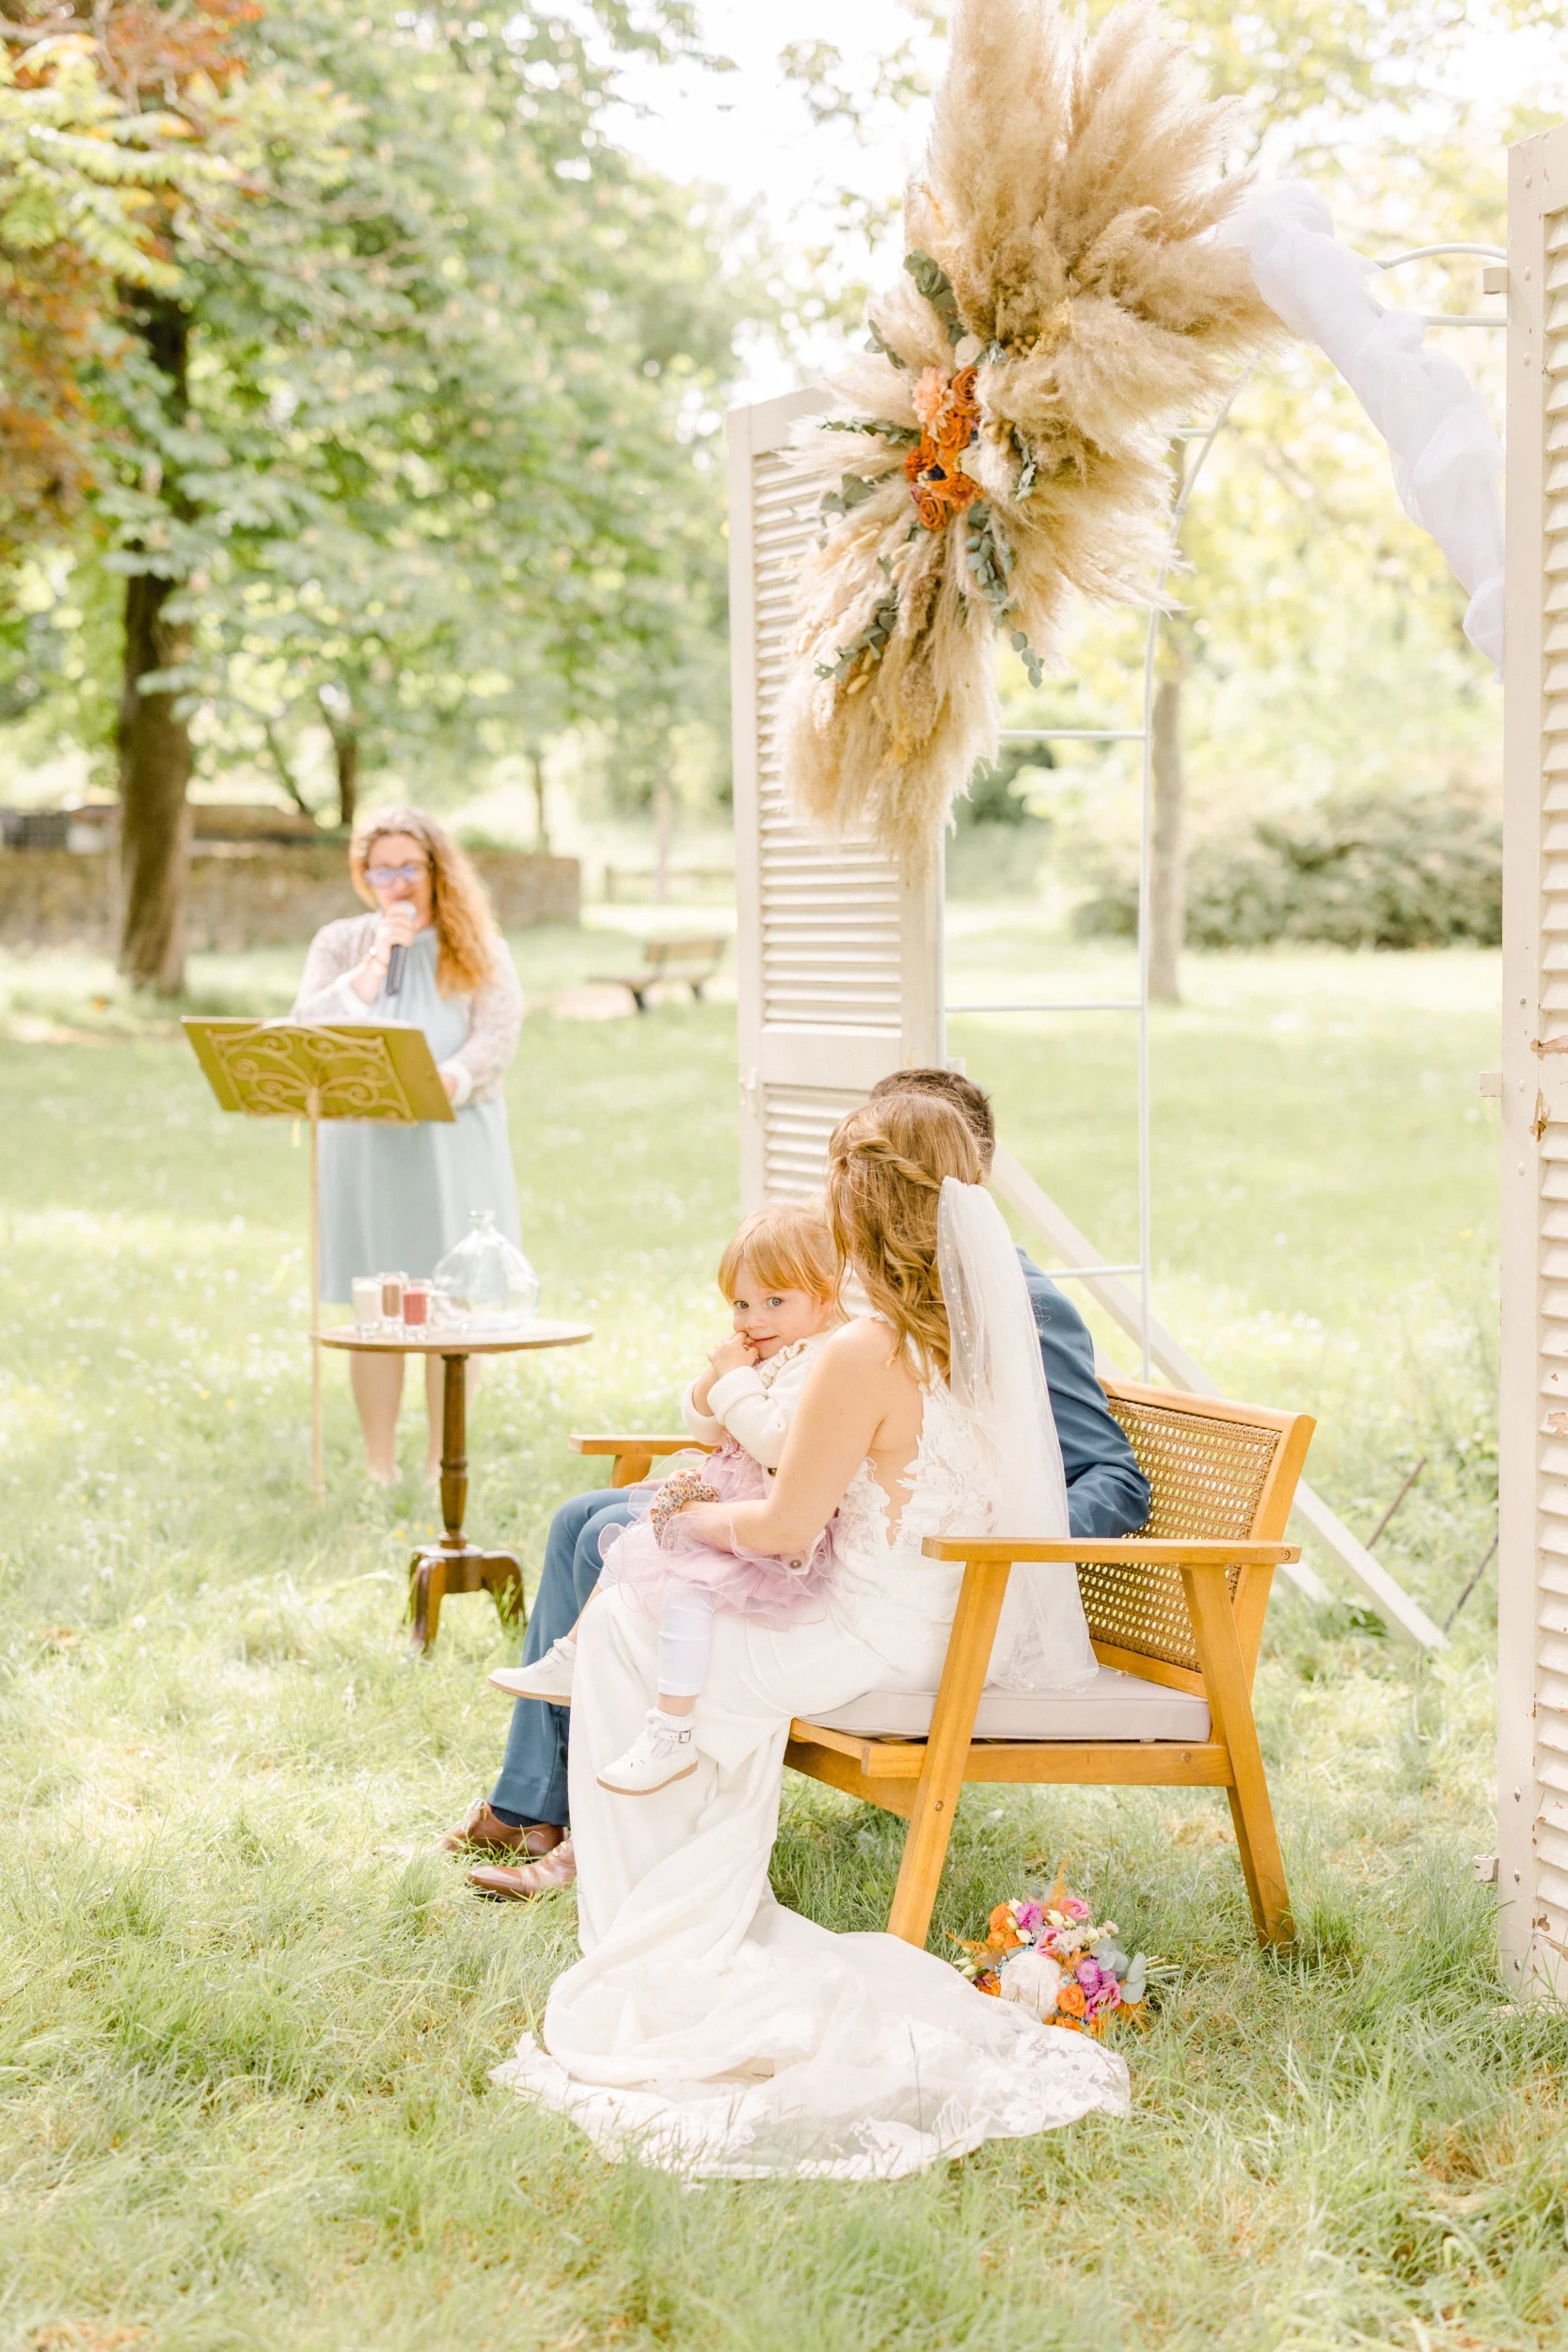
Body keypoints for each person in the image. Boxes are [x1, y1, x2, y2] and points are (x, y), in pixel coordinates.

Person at [490, 1091, 1130, 2178]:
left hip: (866, 1638)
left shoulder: (864, 1350)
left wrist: (679, 1516)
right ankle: (690, 1894)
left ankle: (652, 1936)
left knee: (624, 1625)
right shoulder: (974, 1333)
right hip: (933, 1628)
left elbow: (788, 1528)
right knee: (663, 1631)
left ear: (855, 1209)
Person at [446, 1065, 1148, 1896]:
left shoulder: (1011, 1308)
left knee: (632, 1576)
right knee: (587, 1521)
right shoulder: (883, 1301)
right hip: (832, 1522)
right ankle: (546, 1806)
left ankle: (597, 1843)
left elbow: (1105, 1475)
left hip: (888, 1575)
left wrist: (985, 1547)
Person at [489, 1203, 845, 1796]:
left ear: (824, 1298)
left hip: (771, 1517)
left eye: (774, 1302)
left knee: (615, 1533)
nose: (753, 1318)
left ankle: (576, 1794)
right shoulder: (767, 1352)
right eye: (741, 1304)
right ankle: (555, 1731)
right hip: (725, 1486)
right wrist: (715, 1379)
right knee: (584, 1518)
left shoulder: (818, 1362)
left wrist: (734, 1384)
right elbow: (706, 1429)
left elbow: (777, 1443)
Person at [291, 804, 523, 1482]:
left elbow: (497, 1036)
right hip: (364, 1148)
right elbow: (309, 1027)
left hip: (450, 1137)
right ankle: (378, 1465)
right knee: (378, 1303)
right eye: (381, 868)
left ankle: (437, 1461)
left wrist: (450, 1076)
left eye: (409, 867)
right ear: (363, 875)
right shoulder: (340, 943)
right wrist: (376, 959)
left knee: (451, 1299)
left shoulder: (474, 944)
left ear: (435, 870)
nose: (397, 881)